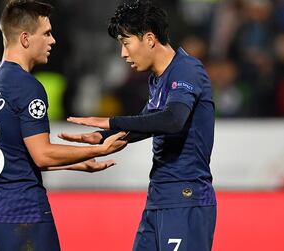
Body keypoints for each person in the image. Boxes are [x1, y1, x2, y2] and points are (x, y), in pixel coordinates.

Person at [59, 1, 217, 250]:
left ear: (150, 39)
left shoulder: (187, 69)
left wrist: (111, 120)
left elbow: (173, 120)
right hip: (159, 197)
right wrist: (100, 137)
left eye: (126, 42)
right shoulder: (159, 79)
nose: (123, 54)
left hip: (185, 198)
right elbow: (145, 123)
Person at [0, 1, 127, 251]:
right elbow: (42, 155)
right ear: (25, 38)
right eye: (46, 33)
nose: (52, 40)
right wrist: (99, 149)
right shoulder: (28, 87)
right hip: (22, 212)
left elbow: (12, 158)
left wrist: (75, 163)